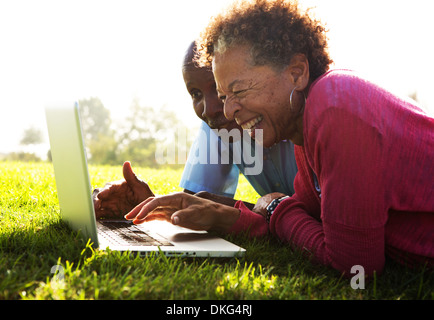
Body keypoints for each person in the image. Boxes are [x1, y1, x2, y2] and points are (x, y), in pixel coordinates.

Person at [126, 0, 434, 277]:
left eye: (239, 91)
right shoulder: (304, 131)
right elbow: (301, 220)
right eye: (224, 95)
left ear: (297, 73)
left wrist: (276, 209)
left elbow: (355, 267)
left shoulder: (336, 106)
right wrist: (240, 214)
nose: (229, 110)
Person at [93, 41, 298, 219]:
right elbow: (195, 203)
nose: (209, 109)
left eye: (220, 89)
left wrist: (267, 210)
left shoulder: (308, 118)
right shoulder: (219, 127)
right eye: (196, 93)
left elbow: (322, 218)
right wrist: (151, 205)